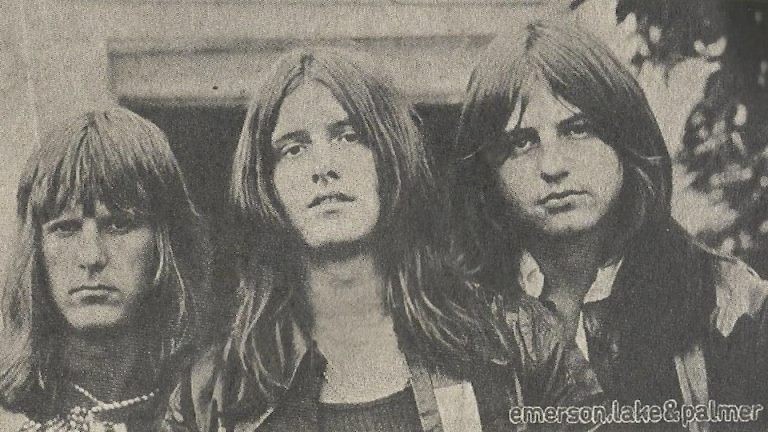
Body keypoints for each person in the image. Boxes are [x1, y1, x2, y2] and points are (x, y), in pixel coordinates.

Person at [161, 47, 602, 432]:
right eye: (293, 148)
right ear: (266, 183)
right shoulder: (212, 394)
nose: (323, 167)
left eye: (349, 136)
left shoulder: (515, 340)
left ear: (391, 156)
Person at [454, 18, 768, 431]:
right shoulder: (455, 318)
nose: (553, 166)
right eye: (521, 142)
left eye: (577, 129)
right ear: (487, 173)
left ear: (626, 139)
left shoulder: (729, 302)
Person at [0, 107, 211, 432]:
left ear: (165, 242)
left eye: (119, 224)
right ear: (36, 249)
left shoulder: (215, 400)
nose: (92, 256)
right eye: (65, 228)